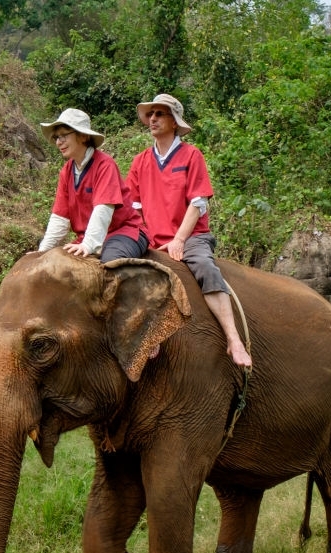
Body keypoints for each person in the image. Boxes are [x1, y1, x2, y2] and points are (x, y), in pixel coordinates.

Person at [126, 94, 253, 368]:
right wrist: (143, 237)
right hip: (152, 238)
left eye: (160, 114)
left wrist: (179, 240)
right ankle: (150, 335)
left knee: (205, 267)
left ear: (174, 122)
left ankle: (234, 339)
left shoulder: (191, 155)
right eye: (151, 114)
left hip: (190, 236)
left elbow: (199, 203)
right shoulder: (140, 162)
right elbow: (133, 209)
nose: (153, 119)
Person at [37, 108, 149, 262]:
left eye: (64, 135)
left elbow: (103, 209)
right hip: (88, 237)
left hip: (123, 232)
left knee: (112, 260)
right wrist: (42, 251)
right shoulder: (66, 171)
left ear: (83, 136)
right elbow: (60, 217)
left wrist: (89, 244)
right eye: (57, 137)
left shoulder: (104, 165)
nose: (58, 142)